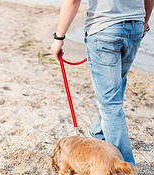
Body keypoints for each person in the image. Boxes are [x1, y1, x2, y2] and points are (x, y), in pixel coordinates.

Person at [51, 0, 154, 166]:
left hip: (104, 29)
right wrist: (144, 21)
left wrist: (59, 37)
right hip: (134, 27)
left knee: (110, 104)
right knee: (114, 90)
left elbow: (72, 1)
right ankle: (100, 134)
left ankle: (124, 170)